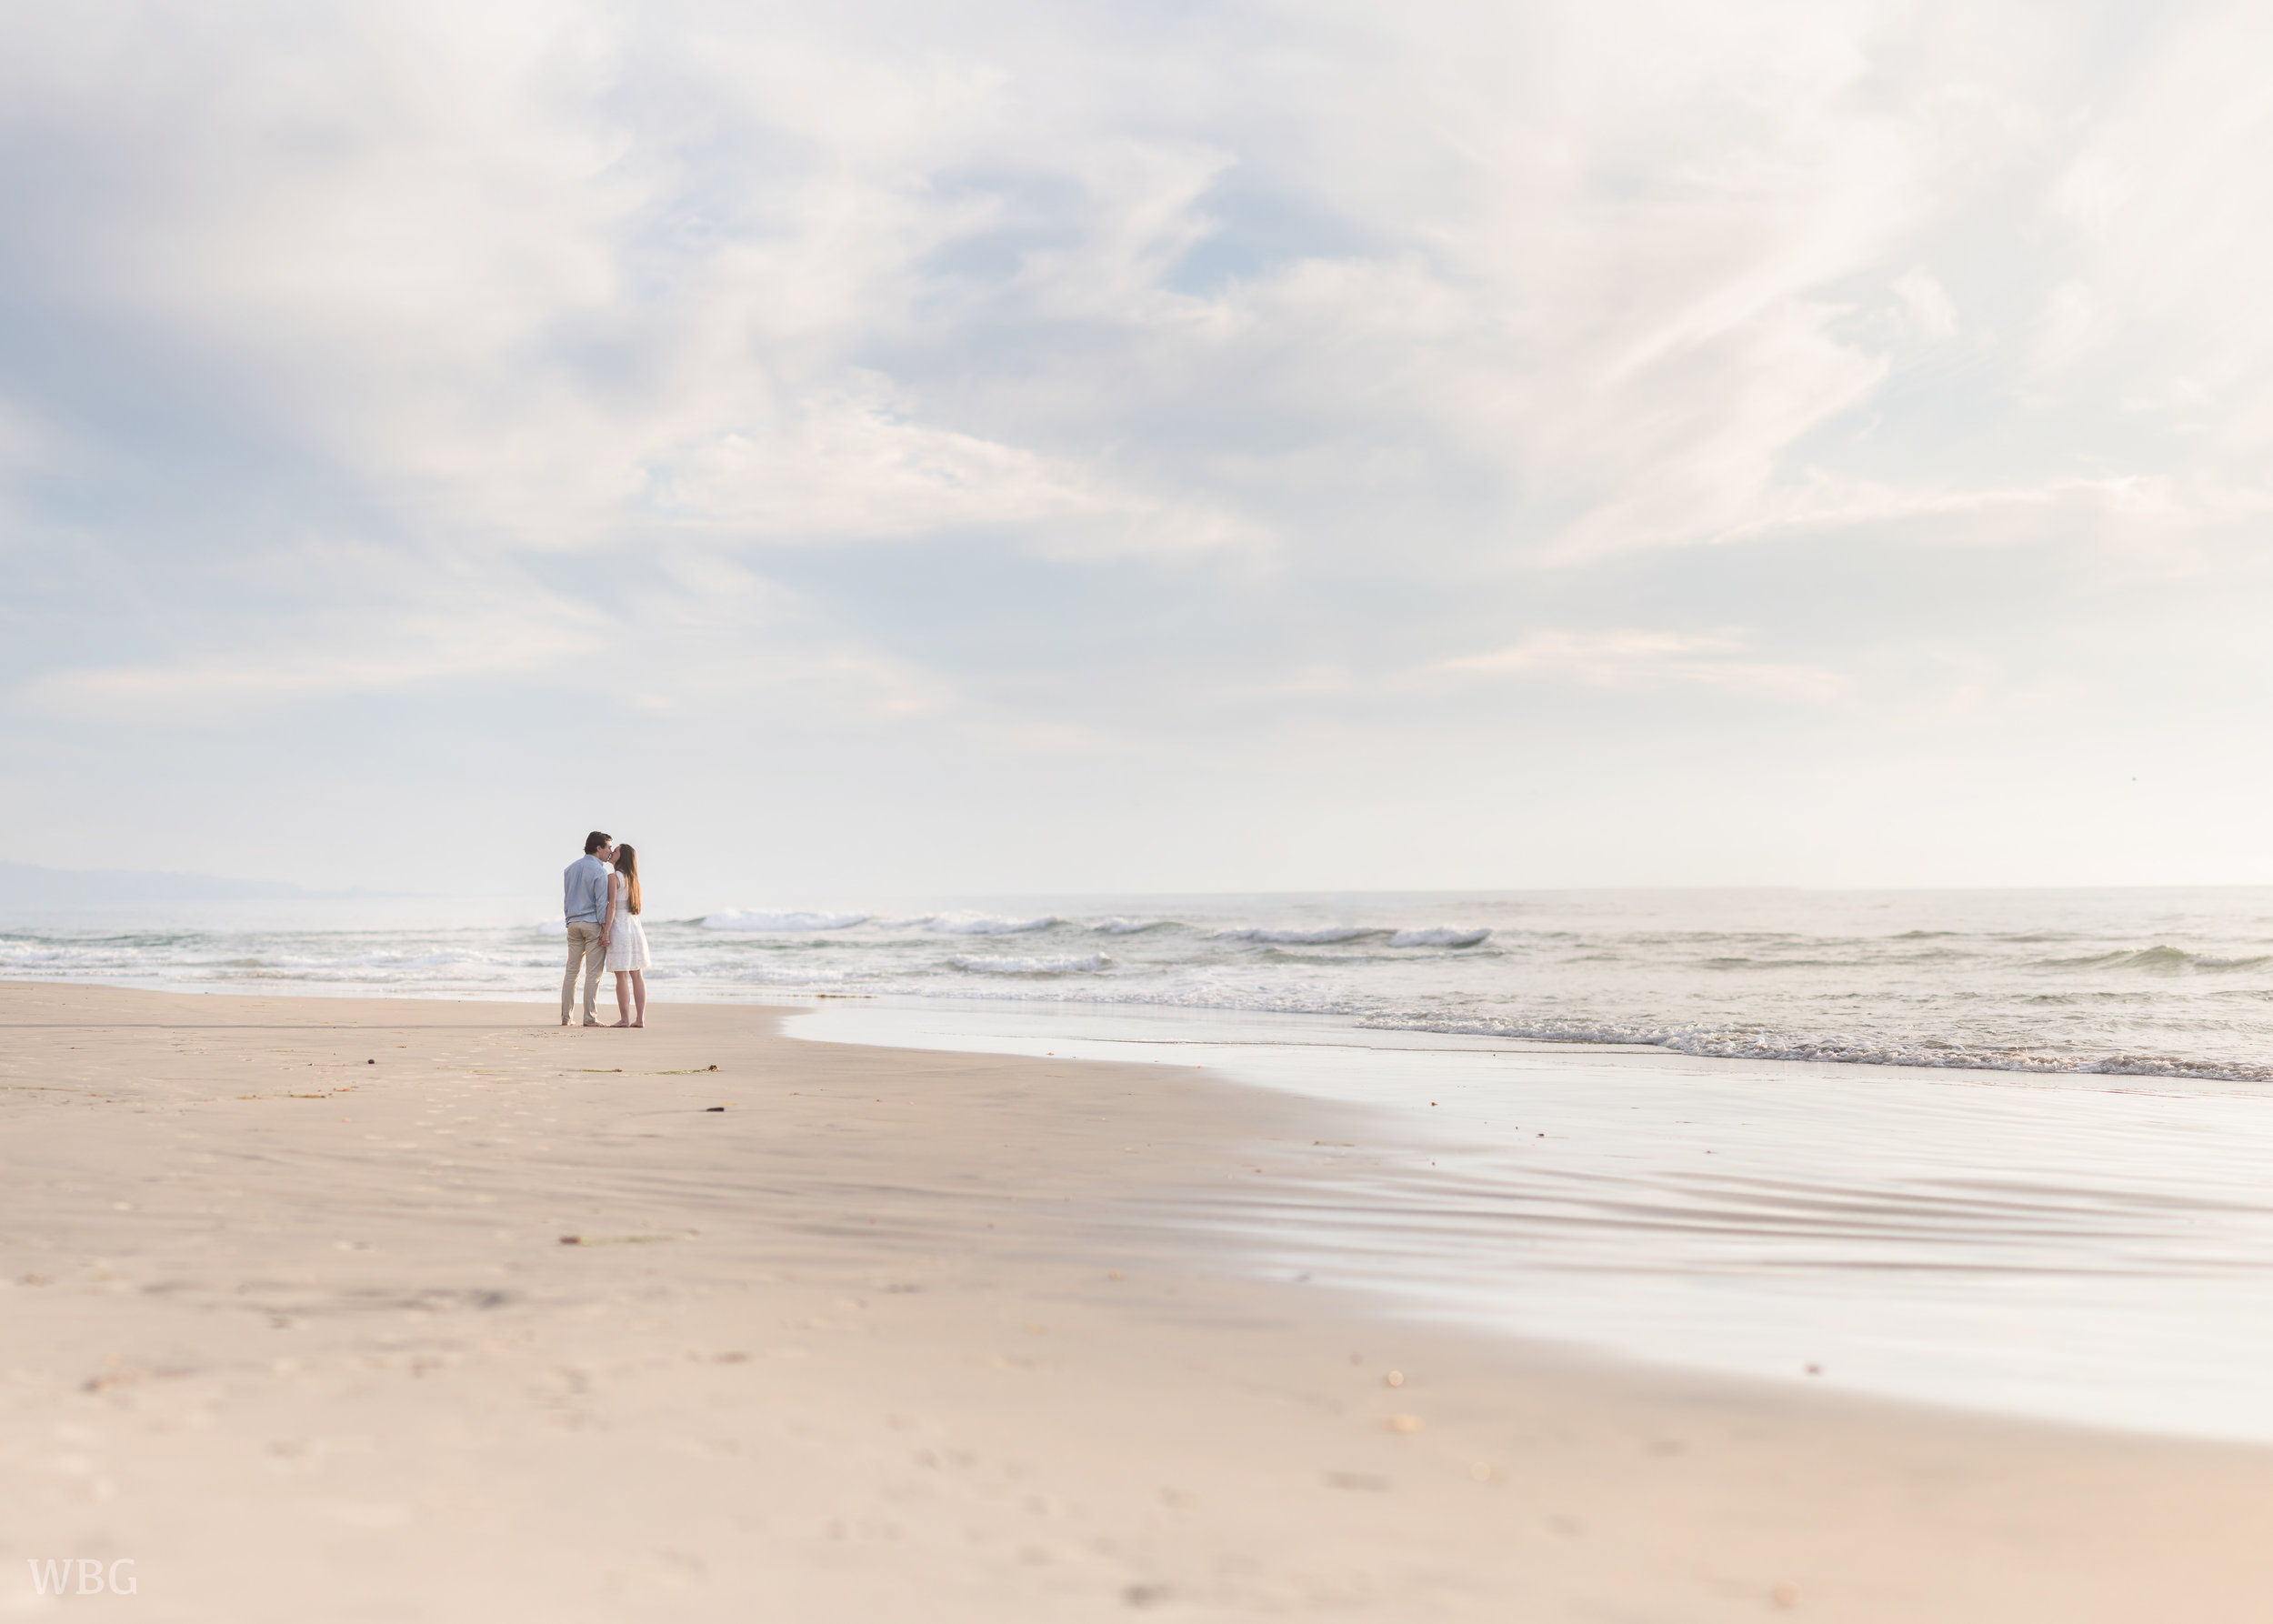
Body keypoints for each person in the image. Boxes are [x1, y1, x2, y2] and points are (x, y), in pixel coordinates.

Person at [561, 830, 615, 1027]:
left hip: (573, 924)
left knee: (571, 972)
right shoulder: (600, 871)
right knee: (593, 973)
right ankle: (590, 1018)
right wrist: (605, 930)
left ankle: (566, 1018)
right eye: (608, 846)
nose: (610, 851)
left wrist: (568, 920)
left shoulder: (570, 869)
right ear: (598, 848)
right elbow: (602, 904)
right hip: (592, 924)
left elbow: (567, 898)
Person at [602, 843, 650, 1028]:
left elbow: (612, 906)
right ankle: (640, 1019)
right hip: (635, 928)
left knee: (621, 976)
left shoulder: (614, 877)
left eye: (615, 851)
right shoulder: (634, 880)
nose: (612, 853)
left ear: (622, 857)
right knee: (637, 975)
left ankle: (624, 1019)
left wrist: (606, 931)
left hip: (620, 928)